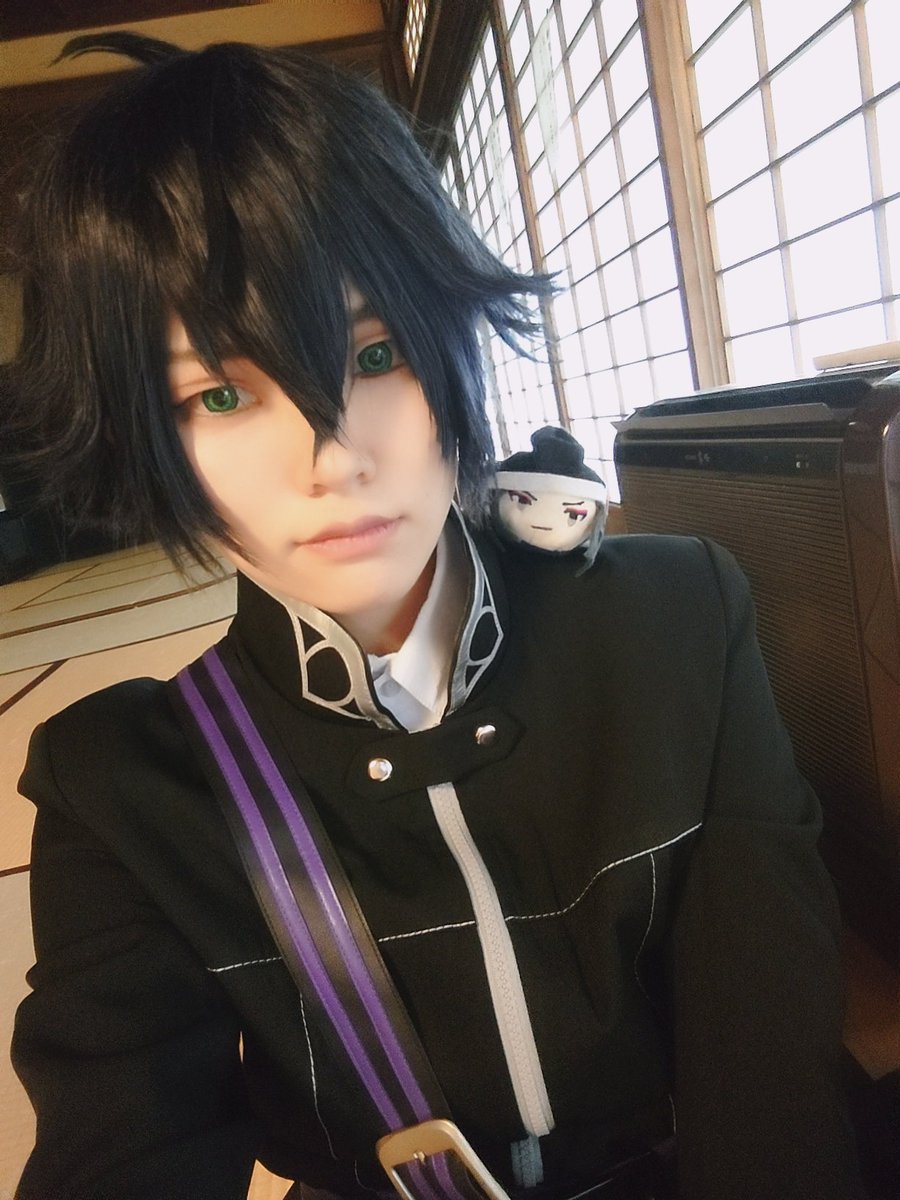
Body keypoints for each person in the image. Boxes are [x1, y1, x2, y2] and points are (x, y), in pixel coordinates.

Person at [4, 32, 866, 1200]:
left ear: (453, 329)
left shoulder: (678, 623)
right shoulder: (121, 784)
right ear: (146, 430)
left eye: (375, 352)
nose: (329, 457)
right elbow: (117, 1145)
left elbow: (768, 1052)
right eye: (221, 392)